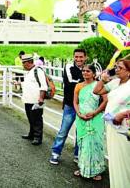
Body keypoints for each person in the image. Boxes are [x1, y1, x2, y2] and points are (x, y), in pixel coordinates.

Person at [93, 58, 130, 188]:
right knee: (115, 159)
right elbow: (96, 91)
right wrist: (102, 79)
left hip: (124, 127)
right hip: (112, 125)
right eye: (116, 67)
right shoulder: (115, 82)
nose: (117, 70)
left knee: (125, 159)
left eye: (120, 67)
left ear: (129, 71)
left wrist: (124, 114)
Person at [49, 48, 87, 165]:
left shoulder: (88, 68)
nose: (78, 59)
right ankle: (55, 153)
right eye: (76, 57)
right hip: (70, 104)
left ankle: (78, 154)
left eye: (81, 57)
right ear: (73, 57)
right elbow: (72, 82)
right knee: (64, 130)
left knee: (81, 132)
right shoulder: (68, 67)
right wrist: (87, 78)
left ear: (85, 57)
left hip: (84, 106)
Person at [73, 64, 107, 181]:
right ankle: (83, 168)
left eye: (88, 71)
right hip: (81, 117)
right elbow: (75, 102)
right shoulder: (78, 86)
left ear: (93, 73)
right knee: (83, 144)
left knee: (95, 143)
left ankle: (96, 170)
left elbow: (105, 100)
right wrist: (79, 114)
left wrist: (95, 112)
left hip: (95, 118)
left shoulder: (98, 85)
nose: (85, 73)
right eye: (83, 71)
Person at [20, 54, 47, 145]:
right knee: (30, 118)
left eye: (23, 63)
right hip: (28, 100)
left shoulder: (38, 71)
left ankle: (37, 137)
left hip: (36, 100)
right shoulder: (30, 71)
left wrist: (41, 98)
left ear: (28, 63)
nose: (23, 65)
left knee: (37, 119)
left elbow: (43, 85)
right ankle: (31, 134)